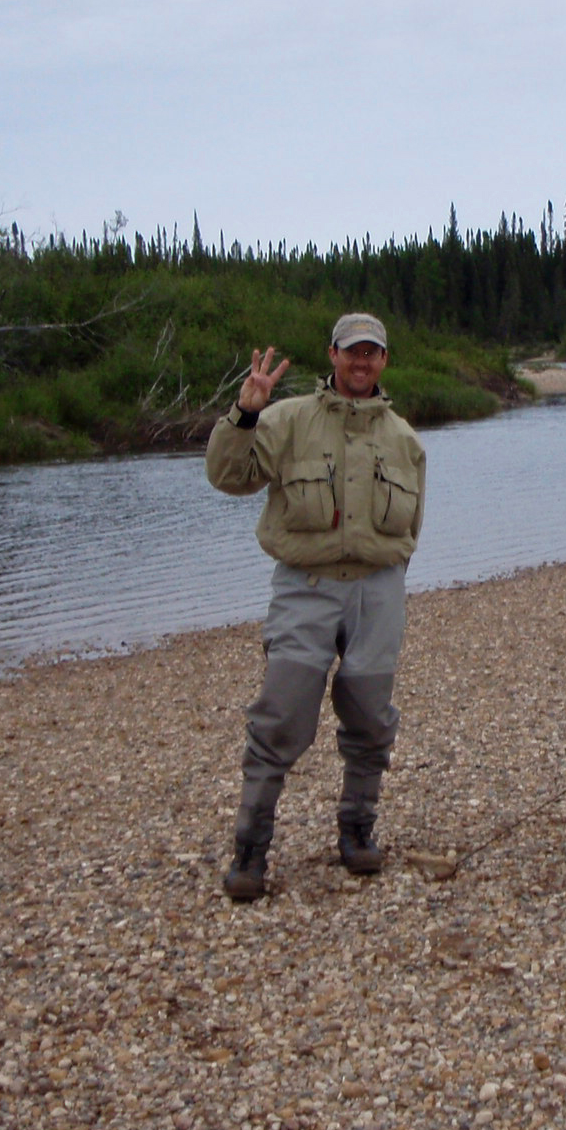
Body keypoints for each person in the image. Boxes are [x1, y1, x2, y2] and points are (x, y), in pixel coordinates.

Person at [204, 312, 426, 901]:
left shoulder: (403, 438)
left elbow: (413, 528)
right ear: (331, 355)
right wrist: (246, 411)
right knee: (281, 717)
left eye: (372, 353)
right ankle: (250, 848)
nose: (361, 362)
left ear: (384, 362)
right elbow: (227, 475)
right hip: (304, 587)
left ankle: (357, 830)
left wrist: (387, 583)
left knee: (371, 719)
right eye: (351, 351)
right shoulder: (286, 420)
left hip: (378, 593)